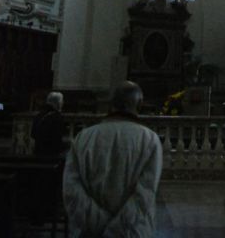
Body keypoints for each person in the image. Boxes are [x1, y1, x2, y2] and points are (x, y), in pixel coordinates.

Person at [63, 81, 162, 237]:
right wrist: (115, 229)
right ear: (140, 104)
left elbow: (71, 189)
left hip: (90, 232)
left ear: (111, 103)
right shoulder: (150, 139)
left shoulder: (84, 137)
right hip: (132, 232)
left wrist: (99, 223)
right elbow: (145, 194)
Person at [32, 90, 67, 157]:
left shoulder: (39, 115)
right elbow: (57, 138)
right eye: (62, 101)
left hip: (38, 152)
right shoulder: (57, 117)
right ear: (58, 103)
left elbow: (33, 134)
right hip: (51, 154)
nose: (63, 103)